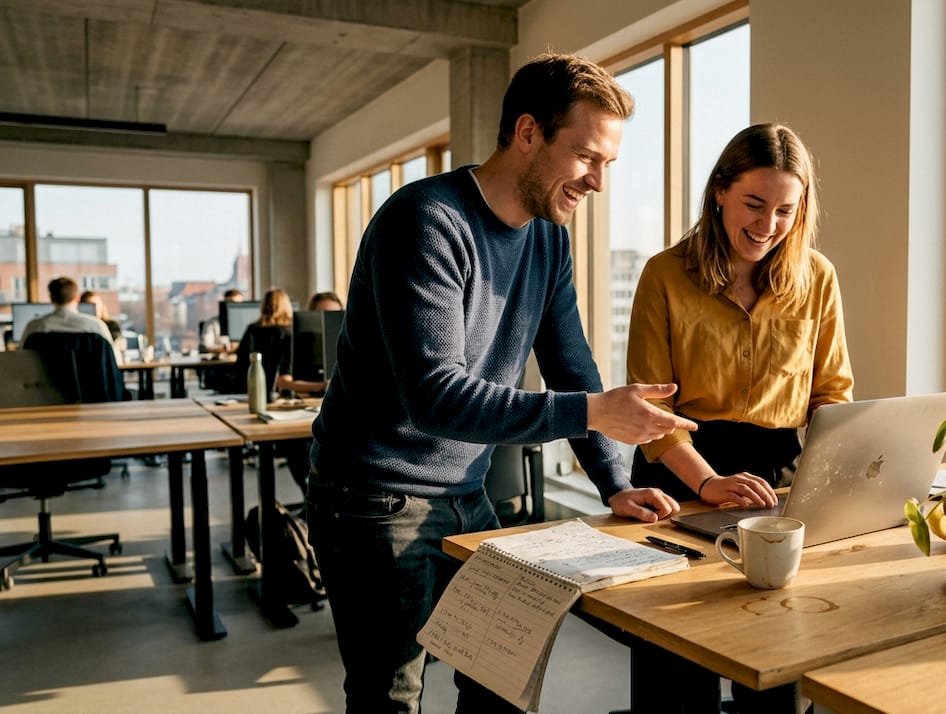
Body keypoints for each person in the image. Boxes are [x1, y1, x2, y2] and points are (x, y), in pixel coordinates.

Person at [307, 52, 697, 713]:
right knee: (390, 697)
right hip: (373, 498)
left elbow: (572, 364)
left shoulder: (548, 240)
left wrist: (614, 483)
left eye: (608, 163)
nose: (599, 182)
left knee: (500, 677)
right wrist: (593, 412)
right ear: (527, 133)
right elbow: (435, 397)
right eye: (587, 157)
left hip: (467, 493)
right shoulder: (426, 220)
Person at [626, 124, 854, 712]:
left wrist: (837, 475)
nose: (767, 224)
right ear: (720, 191)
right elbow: (653, 409)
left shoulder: (818, 277)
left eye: (785, 210)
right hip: (680, 477)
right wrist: (707, 481)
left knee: (775, 672)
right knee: (676, 678)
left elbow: (832, 394)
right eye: (754, 204)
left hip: (777, 482)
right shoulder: (665, 274)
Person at [234, 288, 325, 492]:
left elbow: (240, 366)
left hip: (257, 397)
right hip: (284, 396)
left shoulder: (252, 329)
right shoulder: (291, 331)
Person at [22, 277, 116, 361]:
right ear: (77, 298)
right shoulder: (96, 326)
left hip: (45, 376)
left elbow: (22, 359)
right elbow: (113, 360)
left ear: (51, 298)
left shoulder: (34, 327)